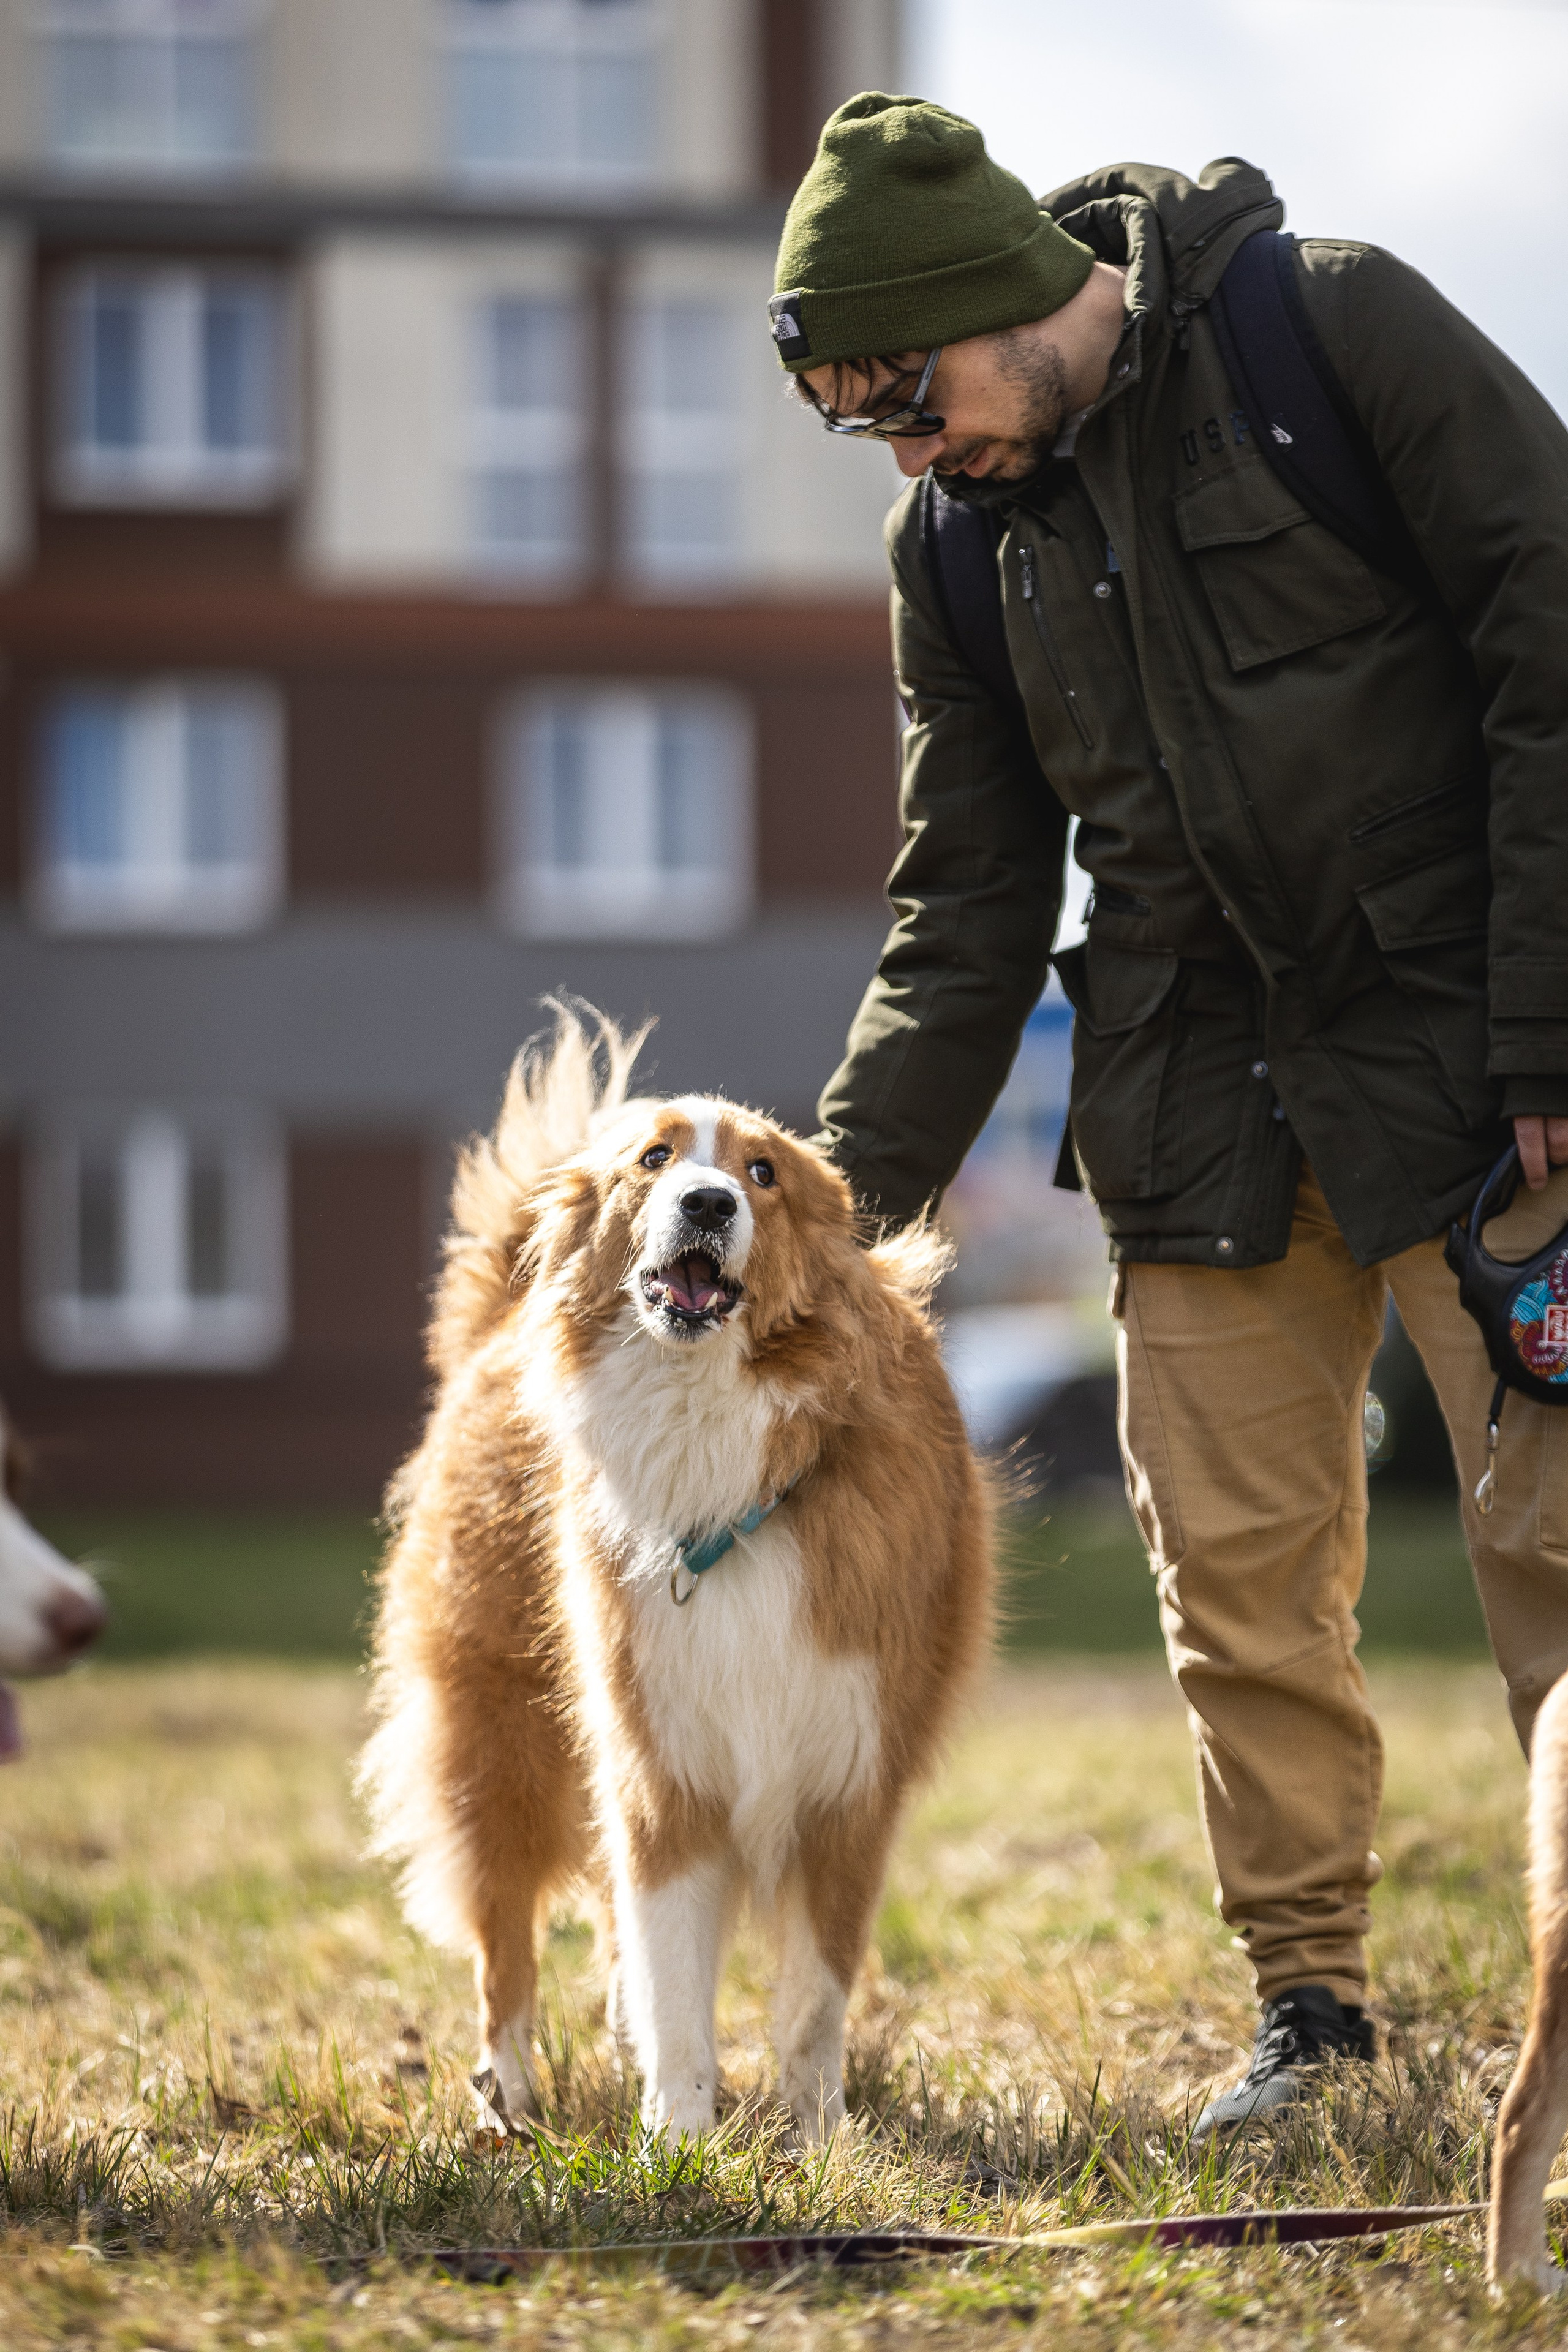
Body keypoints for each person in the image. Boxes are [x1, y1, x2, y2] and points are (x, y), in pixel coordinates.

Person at [771, 91, 1568, 2134]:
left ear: (1004, 304)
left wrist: (1557, 1026)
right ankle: (1312, 2014)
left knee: (1553, 1549)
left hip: (1483, 1076)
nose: (910, 450)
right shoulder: (954, 548)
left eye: (913, 399)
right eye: (868, 429)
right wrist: (820, 1220)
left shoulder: (1333, 334)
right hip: (1194, 1107)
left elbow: (1554, 647)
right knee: (1233, 1583)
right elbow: (961, 909)